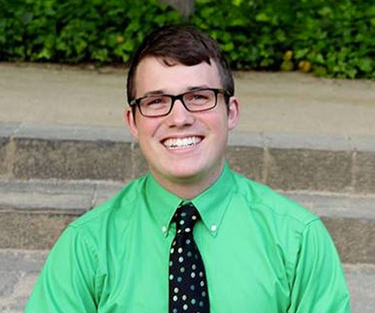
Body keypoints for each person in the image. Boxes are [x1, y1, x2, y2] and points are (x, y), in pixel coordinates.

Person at [25, 24, 351, 313]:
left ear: (231, 111)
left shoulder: (297, 239)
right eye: (156, 101)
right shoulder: (87, 245)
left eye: (198, 96)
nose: (179, 118)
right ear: (133, 122)